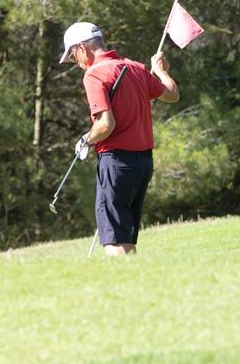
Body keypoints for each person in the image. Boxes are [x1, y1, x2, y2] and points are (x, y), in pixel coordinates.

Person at [59, 21, 179, 256]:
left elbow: (105, 125)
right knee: (125, 237)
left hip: (116, 163)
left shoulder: (94, 74)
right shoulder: (135, 67)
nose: (76, 63)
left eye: (73, 56)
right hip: (143, 164)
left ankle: (120, 290)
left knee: (114, 241)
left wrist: (86, 139)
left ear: (83, 48)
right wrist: (162, 71)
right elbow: (172, 95)